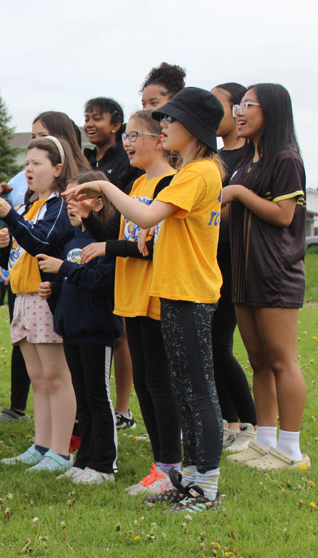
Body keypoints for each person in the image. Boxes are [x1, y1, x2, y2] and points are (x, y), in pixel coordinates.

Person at [68, 87, 226, 513]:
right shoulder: (193, 172)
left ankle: (206, 488)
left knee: (197, 393)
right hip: (174, 290)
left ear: (193, 127)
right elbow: (152, 226)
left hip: (190, 292)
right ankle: (189, 480)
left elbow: (145, 215)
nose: (165, 126)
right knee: (185, 390)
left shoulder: (198, 172)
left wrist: (103, 186)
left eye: (171, 120)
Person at [79, 110, 182, 496]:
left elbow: (149, 246)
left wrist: (107, 246)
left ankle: (170, 468)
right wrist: (89, 219)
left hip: (155, 294)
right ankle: (160, 466)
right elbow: (116, 233)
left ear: (160, 140)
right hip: (131, 295)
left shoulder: (170, 185)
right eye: (128, 136)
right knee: (143, 382)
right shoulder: (138, 182)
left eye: (135, 135)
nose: (127, 143)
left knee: (158, 383)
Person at [222, 83, 310, 470]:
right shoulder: (246, 162)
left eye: (247, 105)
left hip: (275, 273)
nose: (239, 112)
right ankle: (264, 441)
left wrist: (239, 193)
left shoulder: (286, 159)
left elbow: (284, 215)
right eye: (238, 106)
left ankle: (290, 450)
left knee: (281, 361)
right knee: (258, 360)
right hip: (244, 274)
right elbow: (230, 214)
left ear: (270, 110)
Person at [0, 111, 90, 424]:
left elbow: (42, 243)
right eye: (27, 163)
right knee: (39, 379)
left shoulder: (59, 205)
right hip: (22, 297)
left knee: (56, 379)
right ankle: (42, 444)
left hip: (45, 298)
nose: (28, 169)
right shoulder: (28, 206)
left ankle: (61, 444)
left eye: (37, 163)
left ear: (58, 168)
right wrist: (4, 245)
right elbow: (15, 259)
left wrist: (10, 218)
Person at [38, 172, 122, 484]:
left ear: (98, 203)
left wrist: (65, 268)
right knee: (82, 398)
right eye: (69, 198)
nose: (71, 205)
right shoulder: (71, 241)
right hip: (72, 329)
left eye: (79, 197)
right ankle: (85, 459)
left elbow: (100, 282)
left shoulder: (104, 242)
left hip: (97, 329)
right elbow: (69, 284)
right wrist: (53, 290)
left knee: (98, 397)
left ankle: (105, 465)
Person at [82, 97, 137, 431]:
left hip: (118, 246)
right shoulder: (86, 159)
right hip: (89, 243)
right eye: (86, 118)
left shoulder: (128, 161)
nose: (89, 124)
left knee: (120, 335)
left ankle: (122, 409)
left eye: (97, 118)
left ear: (116, 125)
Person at [210, 83, 257, 452]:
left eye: (218, 104)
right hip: (205, 262)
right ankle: (230, 423)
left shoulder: (250, 156)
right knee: (208, 348)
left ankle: (251, 423)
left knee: (219, 345)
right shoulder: (212, 157)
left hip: (234, 264)